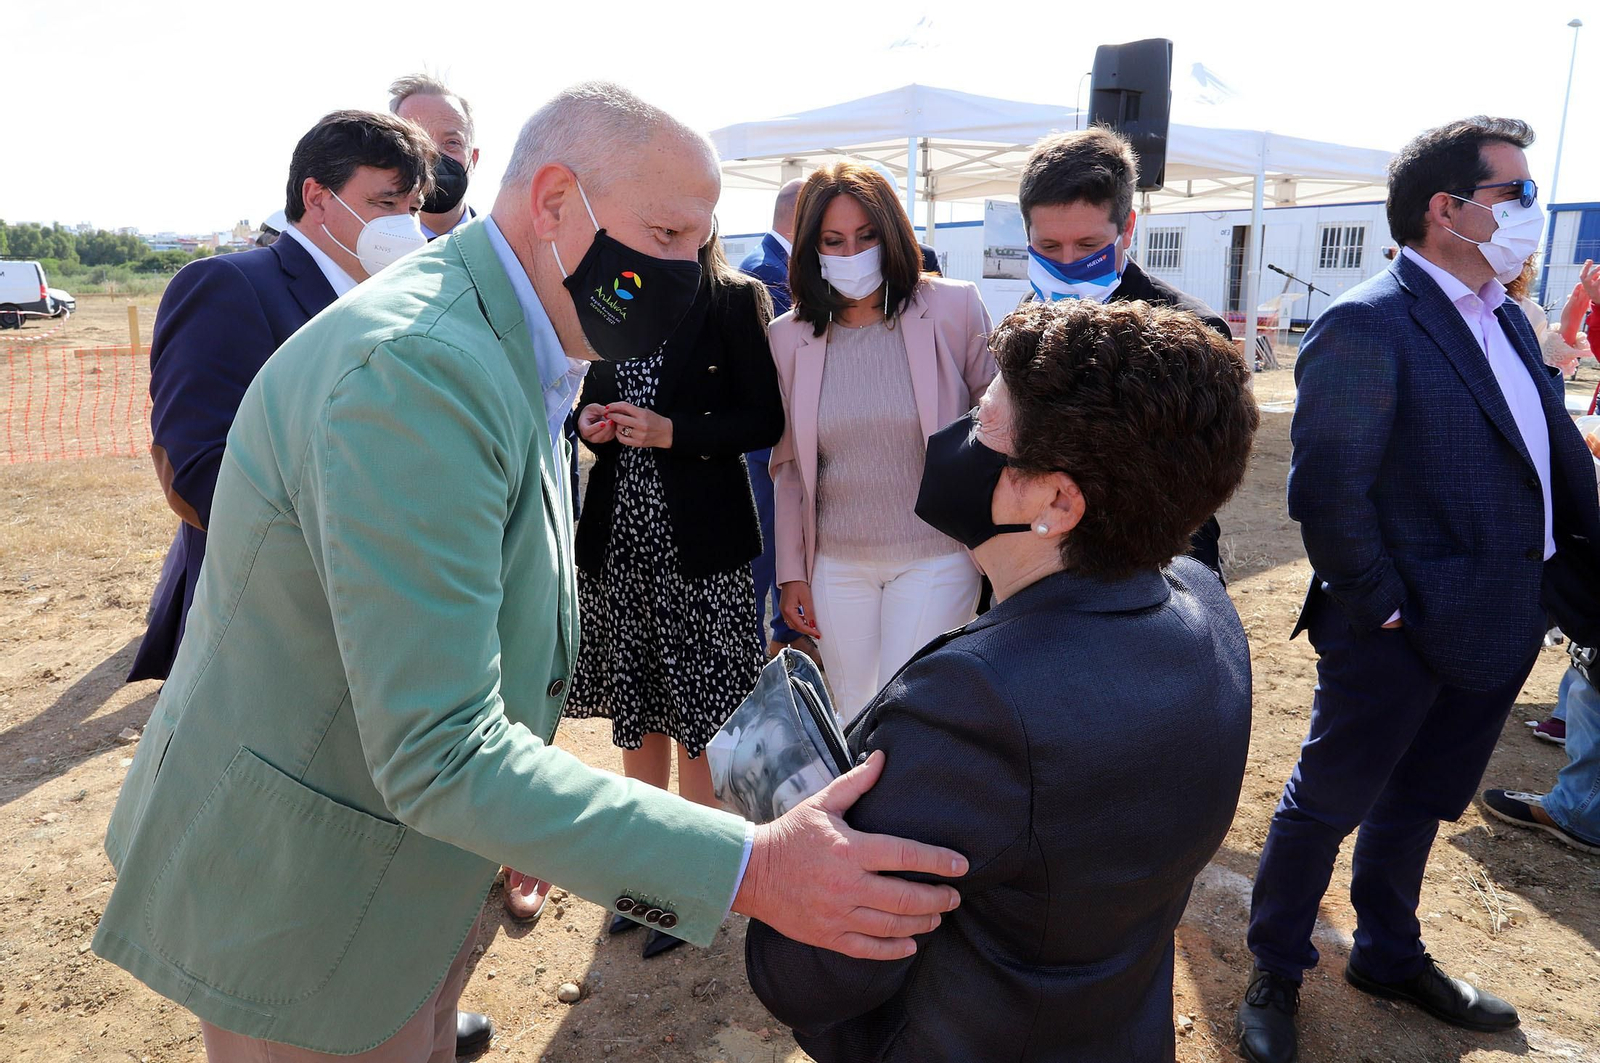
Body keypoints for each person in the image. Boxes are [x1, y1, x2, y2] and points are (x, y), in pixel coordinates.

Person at [92, 82, 967, 1063]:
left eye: (698, 239)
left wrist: (511, 820)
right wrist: (751, 869)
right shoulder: (424, 370)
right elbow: (440, 752)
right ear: (555, 202)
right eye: (668, 233)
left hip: (408, 861)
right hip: (311, 901)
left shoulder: (510, 336)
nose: (685, 268)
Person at [746, 297, 1260, 1061]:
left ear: (1058, 499)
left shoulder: (976, 702)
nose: (953, 438)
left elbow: (811, 971)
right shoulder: (1205, 604)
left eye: (984, 422)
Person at [1238, 117, 1600, 1063]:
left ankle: (1389, 952)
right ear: (1448, 210)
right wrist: (1387, 604)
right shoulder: (1369, 321)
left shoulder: (1508, 318)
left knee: (1423, 799)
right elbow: (1325, 488)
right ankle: (1276, 965)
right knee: (1328, 801)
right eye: (1513, 193)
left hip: (1503, 616)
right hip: (1396, 626)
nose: (1531, 209)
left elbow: (1537, 461)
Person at [126, 110, 433, 685]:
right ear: (317, 198)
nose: (404, 226)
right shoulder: (231, 285)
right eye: (385, 203)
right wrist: (358, 557)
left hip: (385, 623)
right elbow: (199, 473)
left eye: (413, 209)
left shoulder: (399, 306)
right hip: (274, 628)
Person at [563, 228, 784, 958]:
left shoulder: (733, 298)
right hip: (621, 542)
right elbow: (585, 397)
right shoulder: (617, 295)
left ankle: (692, 885)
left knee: (699, 717)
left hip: (701, 548)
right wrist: (589, 424)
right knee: (639, 710)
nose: (665, 231)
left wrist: (673, 431)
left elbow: (763, 418)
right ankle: (647, 872)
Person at [770, 161, 995, 719]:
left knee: (911, 713)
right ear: (811, 249)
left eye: (867, 236)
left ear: (891, 233)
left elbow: (999, 424)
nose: (852, 253)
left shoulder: (953, 307)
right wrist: (791, 572)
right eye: (834, 240)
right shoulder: (787, 337)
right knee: (851, 711)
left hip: (937, 556)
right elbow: (791, 465)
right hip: (836, 566)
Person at [1018, 126, 1232, 580]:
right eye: (1049, 247)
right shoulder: (1027, 319)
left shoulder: (1192, 332)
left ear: (1127, 228)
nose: (1068, 263)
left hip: (1150, 576)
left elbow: (1193, 493)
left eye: (1089, 246)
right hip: (1038, 570)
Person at [739, 178, 812, 659]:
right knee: (765, 552)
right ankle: (762, 652)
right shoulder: (770, 272)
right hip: (770, 442)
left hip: (767, 438)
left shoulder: (763, 262)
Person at [390, 73, 479, 240]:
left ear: (473, 159)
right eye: (418, 142)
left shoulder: (507, 251)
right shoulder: (364, 253)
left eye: (452, 143)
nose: (434, 156)